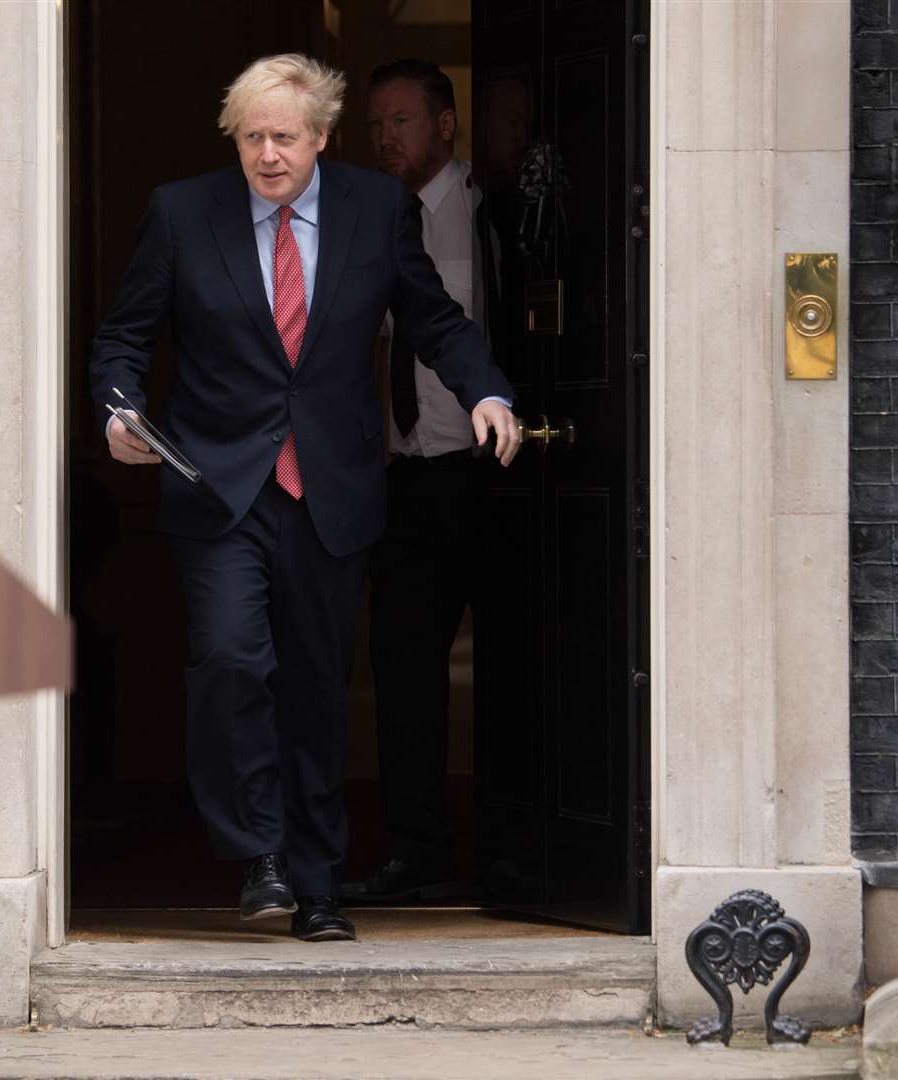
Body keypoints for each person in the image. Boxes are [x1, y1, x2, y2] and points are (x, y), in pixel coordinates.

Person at [88, 54, 519, 942]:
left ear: (322, 136)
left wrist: (486, 390)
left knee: (318, 689)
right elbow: (124, 337)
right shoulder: (182, 212)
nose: (269, 155)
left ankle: (319, 884)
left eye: (285, 137)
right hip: (218, 485)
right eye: (253, 138)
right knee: (233, 661)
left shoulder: (374, 208)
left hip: (330, 487)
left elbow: (434, 317)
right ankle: (263, 855)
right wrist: (117, 411)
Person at [346, 59, 502, 903]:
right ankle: (417, 852)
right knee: (402, 668)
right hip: (407, 477)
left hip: (493, 476)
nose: (385, 139)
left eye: (401, 121)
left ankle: (523, 850)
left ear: (445, 125)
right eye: (376, 125)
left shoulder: (493, 211)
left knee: (516, 665)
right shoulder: (370, 221)